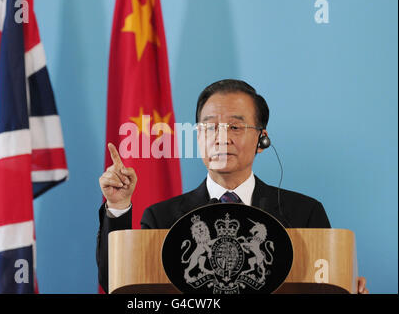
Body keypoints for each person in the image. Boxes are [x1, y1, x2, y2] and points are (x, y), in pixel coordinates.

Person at [96, 79, 368, 294]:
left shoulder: (304, 213)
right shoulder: (162, 218)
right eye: (210, 127)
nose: (221, 138)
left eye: (235, 127)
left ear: (262, 140)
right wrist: (118, 207)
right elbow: (115, 283)